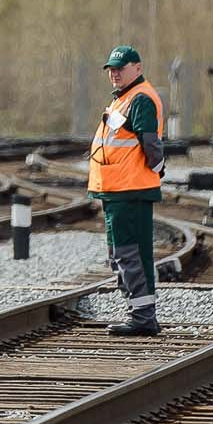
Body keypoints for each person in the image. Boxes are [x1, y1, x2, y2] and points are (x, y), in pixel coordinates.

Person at [87, 45, 166, 337]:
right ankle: (139, 312)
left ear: (138, 67)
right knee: (121, 253)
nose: (115, 73)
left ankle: (143, 316)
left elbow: (151, 144)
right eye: (112, 69)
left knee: (130, 253)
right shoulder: (124, 100)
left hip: (130, 189)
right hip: (118, 189)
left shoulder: (140, 99)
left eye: (121, 68)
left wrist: (156, 171)